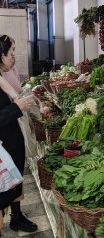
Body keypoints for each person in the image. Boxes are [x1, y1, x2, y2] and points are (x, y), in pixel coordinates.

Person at [0, 34, 38, 235]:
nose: (13, 57)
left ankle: (16, 217)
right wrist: (16, 107)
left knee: (14, 184)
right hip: (3, 148)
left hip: (11, 143)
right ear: (1, 56)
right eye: (10, 53)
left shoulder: (2, 78)